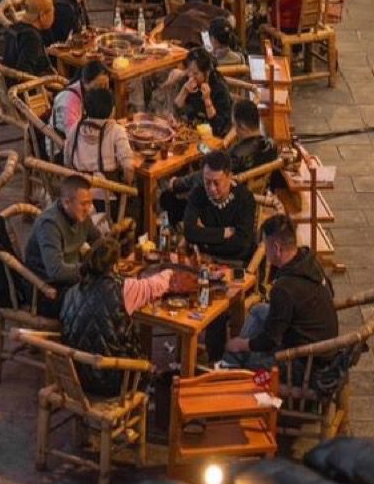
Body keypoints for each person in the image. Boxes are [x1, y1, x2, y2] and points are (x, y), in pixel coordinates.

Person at [60, 234, 172, 399]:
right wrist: (168, 272)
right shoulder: (124, 289)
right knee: (146, 365)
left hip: (76, 376)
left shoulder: (72, 291)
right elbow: (155, 286)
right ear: (115, 265)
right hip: (113, 379)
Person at [224, 213, 338, 369]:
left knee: (248, 359)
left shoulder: (284, 289)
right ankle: (232, 358)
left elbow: (270, 340)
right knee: (258, 310)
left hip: (306, 360)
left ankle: (230, 366)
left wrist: (242, 344)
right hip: (323, 342)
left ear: (277, 248)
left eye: (266, 245)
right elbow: (330, 294)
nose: (265, 252)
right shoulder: (309, 260)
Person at [180, 148, 257, 263]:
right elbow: (189, 232)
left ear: (229, 177)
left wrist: (205, 238)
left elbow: (241, 243)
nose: (211, 188)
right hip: (203, 260)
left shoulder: (244, 199)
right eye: (207, 181)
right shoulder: (198, 194)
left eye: (216, 183)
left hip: (235, 262)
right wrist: (223, 233)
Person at [25, 175, 98, 288]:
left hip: (71, 274)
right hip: (46, 286)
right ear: (66, 203)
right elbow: (56, 271)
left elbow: (98, 241)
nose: (88, 208)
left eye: (90, 203)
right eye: (83, 203)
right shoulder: (49, 224)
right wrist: (90, 268)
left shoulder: (81, 216)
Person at [64, 86, 135, 185]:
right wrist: (127, 184)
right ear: (112, 110)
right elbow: (128, 167)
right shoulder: (116, 131)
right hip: (106, 195)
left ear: (85, 109)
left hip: (79, 192)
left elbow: (67, 160)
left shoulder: (75, 128)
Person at [162, 44, 232, 138]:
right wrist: (184, 90)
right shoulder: (189, 80)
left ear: (206, 72)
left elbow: (219, 128)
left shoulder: (219, 89)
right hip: (193, 130)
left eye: (196, 73)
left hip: (212, 137)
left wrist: (207, 101)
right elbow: (176, 111)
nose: (191, 76)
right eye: (189, 71)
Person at [50, 59, 110, 140]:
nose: (102, 90)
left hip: (84, 138)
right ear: (85, 81)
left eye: (106, 85)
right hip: (62, 145)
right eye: (98, 85)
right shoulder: (69, 101)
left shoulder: (91, 95)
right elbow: (72, 137)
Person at [0, 0, 54, 77]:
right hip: (31, 87)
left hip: (9, 80)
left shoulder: (13, 27)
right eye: (52, 13)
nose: (53, 17)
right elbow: (25, 72)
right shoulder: (32, 38)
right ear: (42, 15)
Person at [228, 97, 277, 172]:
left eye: (234, 124)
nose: (234, 129)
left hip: (242, 183)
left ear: (242, 127)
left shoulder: (235, 155)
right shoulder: (272, 145)